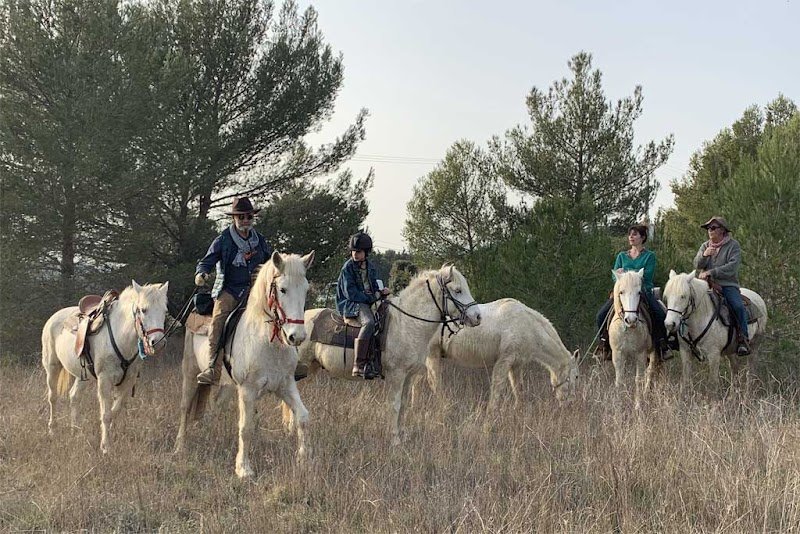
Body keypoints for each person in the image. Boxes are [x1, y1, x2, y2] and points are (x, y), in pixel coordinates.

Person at [194, 197, 273, 384]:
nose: (245, 220)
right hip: (229, 290)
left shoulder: (260, 240)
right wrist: (201, 273)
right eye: (241, 217)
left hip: (255, 292)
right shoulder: (223, 239)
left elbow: (270, 262)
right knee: (218, 321)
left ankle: (291, 360)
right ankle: (212, 367)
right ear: (234, 218)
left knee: (279, 313)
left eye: (249, 216)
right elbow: (206, 261)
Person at [595, 224, 670, 361]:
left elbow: (647, 275)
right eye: (630, 234)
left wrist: (626, 275)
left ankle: (661, 345)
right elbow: (614, 274)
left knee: (659, 313)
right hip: (623, 293)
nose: (631, 237)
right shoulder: (622, 256)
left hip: (642, 291)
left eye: (635, 234)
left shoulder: (649, 256)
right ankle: (604, 345)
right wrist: (619, 276)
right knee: (601, 315)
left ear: (642, 237)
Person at [336, 231, 390, 379]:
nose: (355, 254)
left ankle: (376, 362)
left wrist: (381, 291)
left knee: (386, 318)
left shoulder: (371, 267)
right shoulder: (347, 268)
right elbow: (351, 293)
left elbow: (373, 286)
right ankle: (358, 365)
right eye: (353, 251)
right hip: (352, 303)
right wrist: (373, 296)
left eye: (358, 251)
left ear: (366, 252)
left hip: (368, 300)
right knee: (369, 322)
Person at [693, 216, 750, 356]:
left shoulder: (733, 245)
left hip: (727, 285)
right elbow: (696, 264)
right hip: (705, 284)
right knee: (688, 301)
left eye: (713, 228)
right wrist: (704, 256)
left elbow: (732, 267)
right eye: (708, 228)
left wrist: (711, 272)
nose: (709, 231)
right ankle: (686, 337)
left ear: (722, 230)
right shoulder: (705, 246)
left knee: (737, 306)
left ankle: (743, 338)